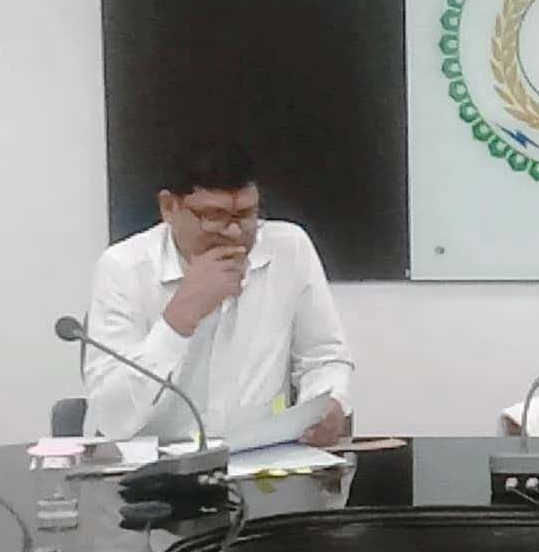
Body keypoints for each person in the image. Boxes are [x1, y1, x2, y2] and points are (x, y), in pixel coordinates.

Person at [82, 144, 353, 446]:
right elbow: (112, 419)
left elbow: (323, 358)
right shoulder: (124, 268)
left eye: (246, 214)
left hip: (260, 460)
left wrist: (328, 404)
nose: (234, 232)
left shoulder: (289, 249)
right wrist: (180, 317)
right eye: (214, 216)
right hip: (152, 464)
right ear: (169, 207)